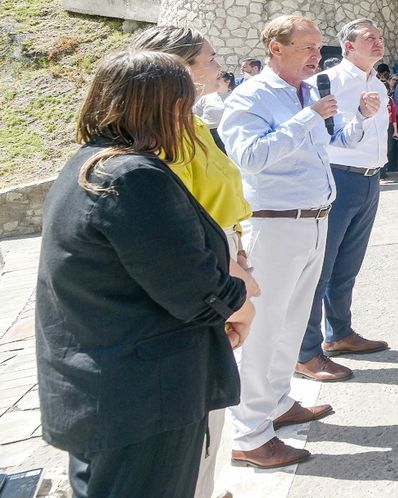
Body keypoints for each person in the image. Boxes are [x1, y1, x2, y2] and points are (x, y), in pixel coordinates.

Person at [37, 50, 252, 498]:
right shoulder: (134, 177)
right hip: (144, 399)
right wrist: (240, 304)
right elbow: (192, 288)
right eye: (184, 105)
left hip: (105, 388)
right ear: (168, 107)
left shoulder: (91, 163)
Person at [218, 15, 380, 469]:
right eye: (307, 48)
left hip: (313, 220)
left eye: (319, 47)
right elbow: (250, 157)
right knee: (264, 328)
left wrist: (360, 120)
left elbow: (327, 147)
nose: (316, 56)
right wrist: (308, 116)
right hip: (274, 224)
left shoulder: (307, 92)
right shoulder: (251, 96)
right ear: (275, 49)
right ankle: (249, 437)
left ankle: (275, 405)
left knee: (290, 323)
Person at [125, 28, 255, 498]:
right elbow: (179, 221)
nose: (219, 67)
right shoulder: (164, 138)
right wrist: (231, 284)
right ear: (177, 69)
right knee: (196, 413)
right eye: (209, 59)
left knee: (210, 408)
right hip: (204, 270)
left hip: (221, 254)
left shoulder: (192, 125)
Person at [296, 19, 392, 386]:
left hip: (370, 178)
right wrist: (360, 117)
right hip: (339, 176)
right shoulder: (329, 81)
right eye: (371, 37)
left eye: (379, 36)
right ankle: (306, 350)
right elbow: (322, 135)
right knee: (320, 268)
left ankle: (340, 332)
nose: (378, 42)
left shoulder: (378, 82)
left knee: (348, 265)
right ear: (349, 45)